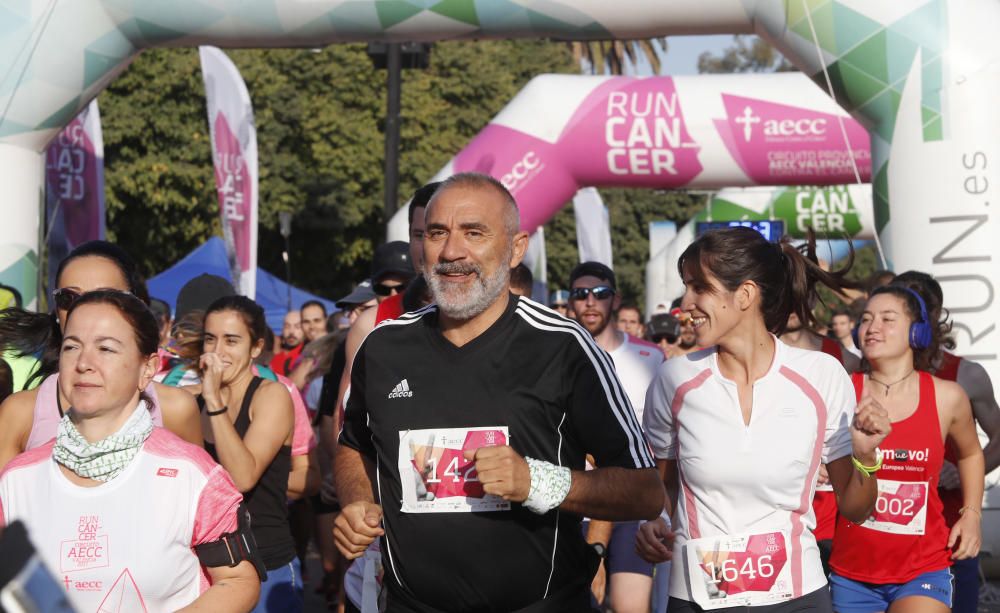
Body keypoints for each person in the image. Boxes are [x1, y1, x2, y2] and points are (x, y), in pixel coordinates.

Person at [334, 172, 663, 611]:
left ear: (516, 249)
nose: (452, 252)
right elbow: (352, 445)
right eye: (437, 233)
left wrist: (537, 481)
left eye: (474, 233)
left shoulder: (564, 346)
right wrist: (357, 501)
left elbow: (645, 491)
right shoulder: (384, 346)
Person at [637, 227, 891, 612]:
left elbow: (856, 508)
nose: (685, 304)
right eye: (685, 286)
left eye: (698, 287)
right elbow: (660, 486)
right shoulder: (674, 380)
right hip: (697, 598)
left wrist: (867, 458)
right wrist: (653, 520)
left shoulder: (821, 375)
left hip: (798, 598)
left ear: (745, 294)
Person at [0, 290, 260, 611]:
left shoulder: (192, 474)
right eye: (72, 347)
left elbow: (238, 581)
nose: (84, 363)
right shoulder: (16, 479)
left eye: (106, 348)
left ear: (147, 368)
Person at [828, 285, 984, 613]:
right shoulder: (841, 391)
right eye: (866, 319)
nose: (872, 327)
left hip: (923, 568)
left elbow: (971, 454)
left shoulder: (947, 397)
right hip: (852, 571)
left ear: (917, 332)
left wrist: (971, 516)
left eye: (887, 319)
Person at [0, 240, 203, 473]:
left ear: (136, 306)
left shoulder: (175, 409)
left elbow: (197, 502)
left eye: (105, 297)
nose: (86, 310)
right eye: (69, 298)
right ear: (56, 310)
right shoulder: (21, 413)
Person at [890, 271, 1000, 612]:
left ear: (936, 316)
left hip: (946, 527)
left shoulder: (966, 375)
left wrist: (966, 471)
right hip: (884, 529)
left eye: (919, 310)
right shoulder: (866, 372)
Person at [187, 295, 301, 612]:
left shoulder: (272, 395)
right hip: (212, 568)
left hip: (268, 564)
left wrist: (213, 399)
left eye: (232, 340)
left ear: (255, 348)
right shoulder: (190, 403)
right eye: (211, 339)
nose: (218, 351)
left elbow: (242, 477)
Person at [569, 261, 664, 613]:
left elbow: (663, 437)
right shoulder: (560, 353)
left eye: (600, 294)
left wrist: (660, 510)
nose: (590, 302)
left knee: (630, 607)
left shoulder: (650, 357)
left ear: (615, 299)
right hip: (576, 501)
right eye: (580, 294)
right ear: (570, 302)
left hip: (631, 501)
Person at [271, 311, 304, 377]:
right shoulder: (275, 357)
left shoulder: (308, 357)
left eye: (297, 327)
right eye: (287, 326)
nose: (291, 331)